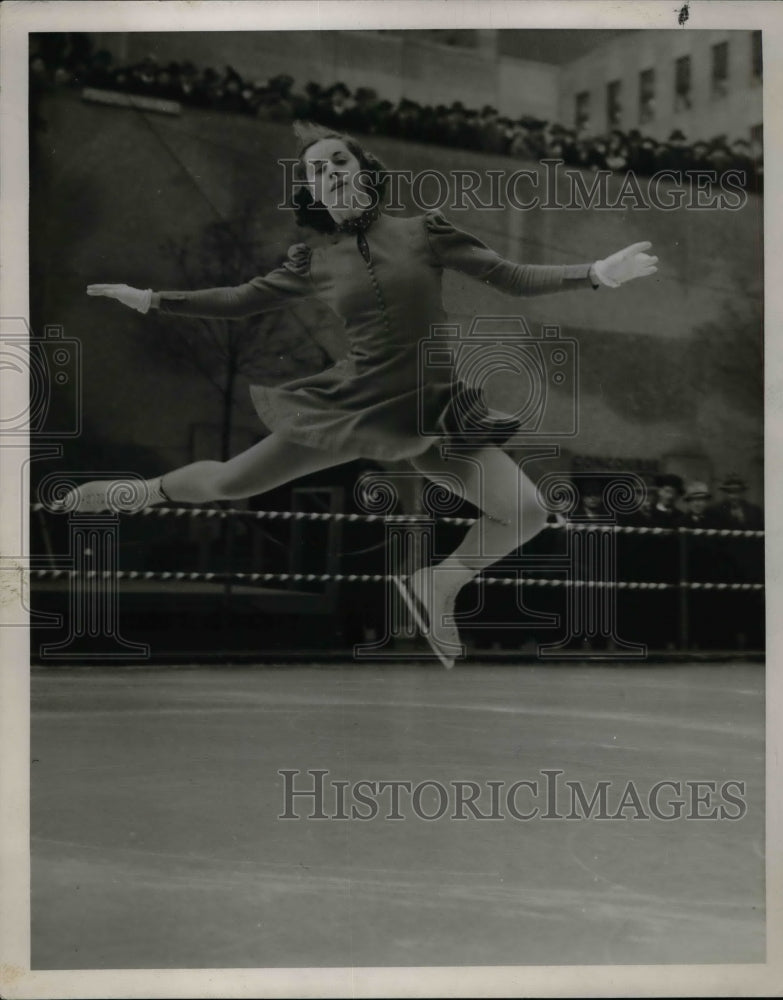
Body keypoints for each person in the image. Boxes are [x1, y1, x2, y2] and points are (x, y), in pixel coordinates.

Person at [70, 120, 658, 667]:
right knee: (231, 482)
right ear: (311, 193)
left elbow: (509, 275)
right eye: (317, 172)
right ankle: (144, 490)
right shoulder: (315, 262)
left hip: (431, 412)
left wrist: (597, 273)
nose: (330, 175)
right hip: (351, 407)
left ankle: (441, 582)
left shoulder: (423, 232)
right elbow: (239, 299)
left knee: (528, 511)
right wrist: (152, 299)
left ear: (365, 171)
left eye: (338, 162)